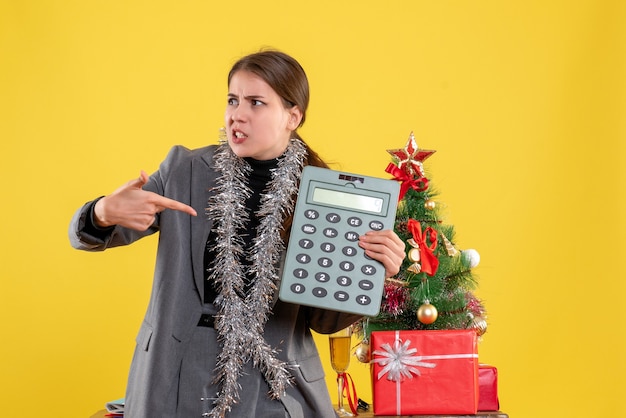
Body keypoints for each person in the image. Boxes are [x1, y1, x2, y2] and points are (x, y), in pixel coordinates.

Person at [69, 50, 405, 418]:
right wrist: (100, 213)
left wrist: (373, 273)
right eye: (232, 100)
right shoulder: (184, 171)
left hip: (276, 383)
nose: (236, 114)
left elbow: (324, 321)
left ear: (293, 116)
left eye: (256, 103)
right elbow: (95, 234)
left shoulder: (325, 195)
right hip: (176, 375)